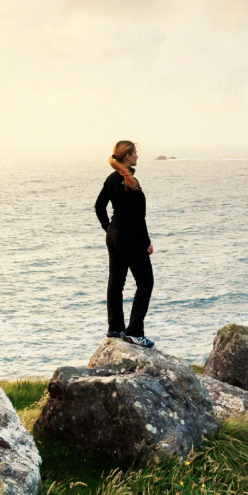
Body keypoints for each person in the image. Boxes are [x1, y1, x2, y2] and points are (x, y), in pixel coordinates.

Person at [94, 138, 155, 347]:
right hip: (129, 237)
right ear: (127, 157)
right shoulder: (132, 182)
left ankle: (115, 329)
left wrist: (109, 228)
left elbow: (99, 206)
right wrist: (146, 242)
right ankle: (135, 332)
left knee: (116, 283)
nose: (137, 156)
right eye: (135, 153)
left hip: (114, 236)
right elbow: (139, 218)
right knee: (146, 282)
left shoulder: (112, 179)